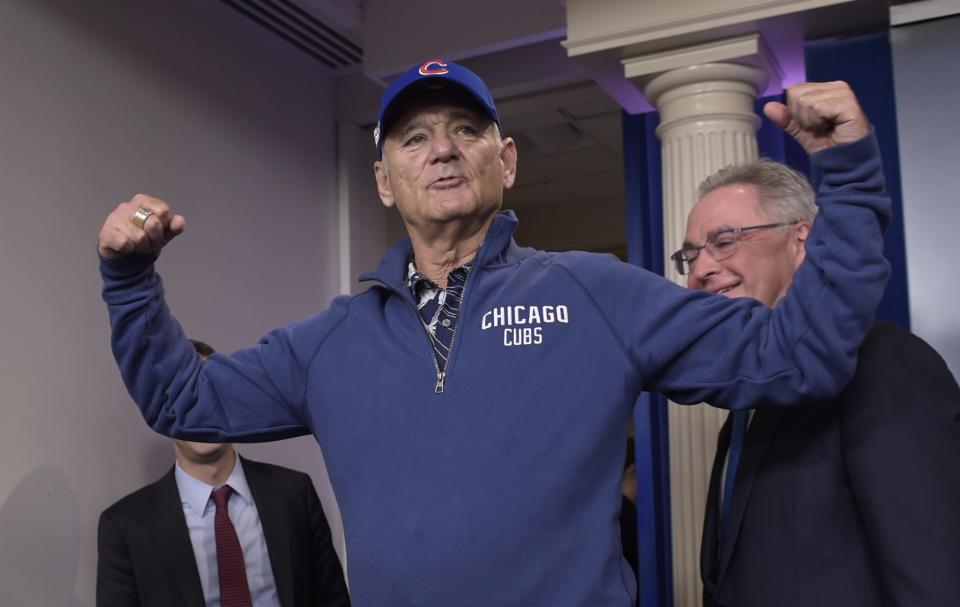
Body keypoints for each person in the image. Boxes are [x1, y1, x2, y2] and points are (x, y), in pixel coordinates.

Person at [97, 60, 891, 606]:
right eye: (413, 137)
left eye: (465, 130)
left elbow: (799, 355)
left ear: (505, 159)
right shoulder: (331, 340)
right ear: (384, 179)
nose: (441, 148)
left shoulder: (593, 292)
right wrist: (131, 281)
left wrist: (849, 172)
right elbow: (183, 397)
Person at [679, 160, 960, 607]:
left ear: (801, 241)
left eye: (725, 242)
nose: (701, 270)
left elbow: (931, 574)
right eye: (690, 255)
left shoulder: (884, 363)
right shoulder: (744, 400)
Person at [96, 340, 350, 607]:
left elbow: (333, 599)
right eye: (182, 393)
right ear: (160, 410)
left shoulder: (295, 492)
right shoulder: (125, 526)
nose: (199, 408)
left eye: (209, 389)